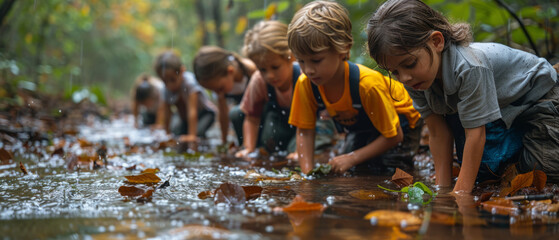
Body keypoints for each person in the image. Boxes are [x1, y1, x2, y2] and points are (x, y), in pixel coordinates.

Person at [366, 0, 559, 193]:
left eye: (409, 64)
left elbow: (475, 134)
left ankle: (526, 142)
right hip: (505, 109)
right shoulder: (414, 78)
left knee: (543, 168)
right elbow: (437, 132)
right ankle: (514, 145)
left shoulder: (469, 67)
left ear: (436, 42)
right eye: (395, 72)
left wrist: (461, 194)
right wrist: (443, 188)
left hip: (542, 99)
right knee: (485, 170)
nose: (404, 78)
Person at [287, 1, 422, 175]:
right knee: (348, 170)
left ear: (342, 49)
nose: (309, 70)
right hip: (364, 125)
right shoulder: (306, 83)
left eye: (316, 60)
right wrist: (308, 175)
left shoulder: (366, 85)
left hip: (402, 121)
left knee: (388, 169)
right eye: (301, 61)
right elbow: (305, 131)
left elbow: (394, 136)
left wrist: (352, 157)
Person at [236, 20, 335, 158]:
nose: (269, 75)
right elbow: (252, 118)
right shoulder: (259, 80)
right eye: (262, 69)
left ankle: (315, 150)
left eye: (275, 67)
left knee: (296, 151)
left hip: (315, 121)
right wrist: (249, 148)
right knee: (268, 141)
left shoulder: (305, 76)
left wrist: (300, 153)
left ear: (291, 57)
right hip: (284, 121)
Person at [193, 46, 257, 146]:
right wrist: (224, 141)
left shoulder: (251, 70)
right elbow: (223, 116)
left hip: (260, 112)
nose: (218, 93)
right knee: (237, 114)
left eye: (219, 89)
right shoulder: (221, 86)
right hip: (247, 115)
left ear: (230, 72)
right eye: (213, 90)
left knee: (237, 113)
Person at [154, 50, 217, 143]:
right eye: (165, 81)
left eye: (172, 80)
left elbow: (192, 111)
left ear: (182, 71)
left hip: (205, 114)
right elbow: (167, 113)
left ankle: (197, 134)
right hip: (184, 117)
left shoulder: (189, 83)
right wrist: (167, 134)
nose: (170, 85)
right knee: (176, 132)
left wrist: (192, 135)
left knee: (198, 132)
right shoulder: (165, 89)